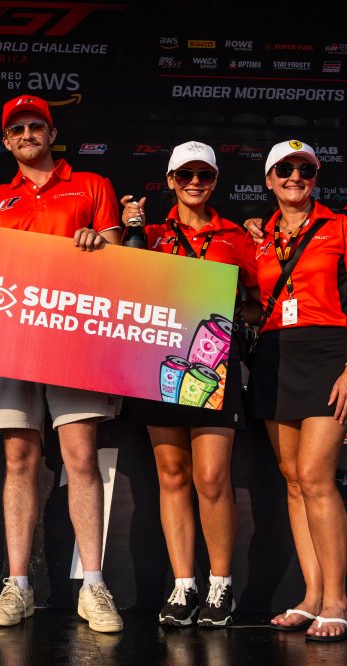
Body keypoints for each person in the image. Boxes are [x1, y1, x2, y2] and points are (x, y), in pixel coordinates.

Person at [0, 95, 124, 633]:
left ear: (52, 133)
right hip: (9, 340)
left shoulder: (92, 185)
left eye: (36, 125)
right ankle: (18, 584)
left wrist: (99, 243)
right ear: (6, 141)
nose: (27, 134)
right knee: (19, 459)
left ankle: (93, 584)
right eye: (16, 129)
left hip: (76, 338)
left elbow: (119, 257)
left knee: (80, 456)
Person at [119, 141, 260, 628]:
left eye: (204, 175)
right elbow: (119, 281)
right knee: (172, 474)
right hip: (158, 362)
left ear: (215, 181)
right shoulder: (151, 234)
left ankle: (221, 584)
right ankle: (184, 585)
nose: (195, 183)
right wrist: (125, 230)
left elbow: (258, 301)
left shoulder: (237, 237)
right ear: (171, 180)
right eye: (185, 175)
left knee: (212, 477)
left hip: (216, 365)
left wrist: (235, 312)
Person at [248, 141, 347, 642]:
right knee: (294, 480)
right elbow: (253, 301)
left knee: (316, 477)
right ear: (269, 179)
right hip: (275, 355)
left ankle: (338, 600)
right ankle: (312, 594)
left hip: (328, 354)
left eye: (305, 169)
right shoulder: (259, 238)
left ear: (316, 177)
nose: (295, 176)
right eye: (285, 169)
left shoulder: (345, 225)